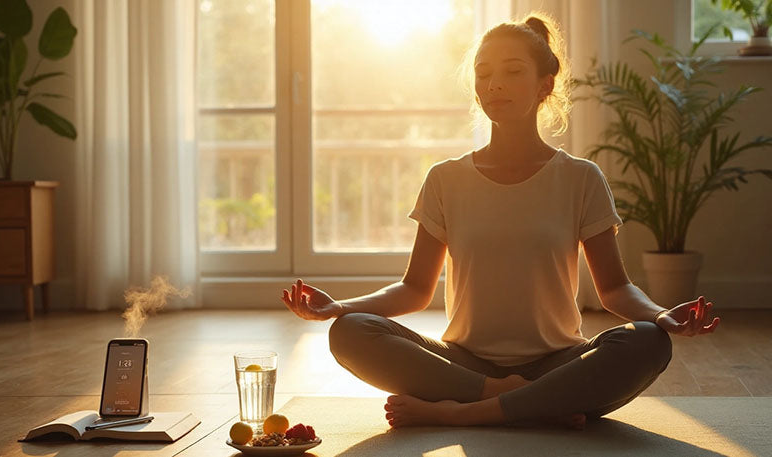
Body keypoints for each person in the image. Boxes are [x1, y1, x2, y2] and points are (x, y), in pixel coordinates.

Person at [281, 13, 720, 430]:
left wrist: (662, 316)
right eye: (483, 72)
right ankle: (525, 403)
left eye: (512, 72)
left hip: (558, 361)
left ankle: (464, 414)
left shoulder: (580, 178)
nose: (494, 84)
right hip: (464, 363)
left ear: (544, 85)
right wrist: (341, 307)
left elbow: (614, 289)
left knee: (648, 341)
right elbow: (414, 289)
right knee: (351, 333)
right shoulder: (445, 179)